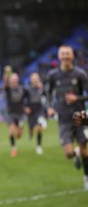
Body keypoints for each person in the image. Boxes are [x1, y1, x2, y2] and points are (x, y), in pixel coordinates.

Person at [46, 44, 88, 190]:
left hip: (81, 117)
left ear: (73, 56)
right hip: (63, 118)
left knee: (85, 151)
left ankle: (86, 178)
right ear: (59, 56)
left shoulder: (80, 74)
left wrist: (77, 98)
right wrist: (50, 107)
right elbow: (48, 93)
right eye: (62, 54)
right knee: (69, 153)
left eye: (68, 54)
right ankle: (74, 153)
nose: (65, 56)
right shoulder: (53, 75)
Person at [3, 65, 28, 157]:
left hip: (20, 113)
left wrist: (27, 107)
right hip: (11, 113)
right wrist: (6, 73)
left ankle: (16, 138)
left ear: (17, 79)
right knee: (11, 131)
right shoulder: (8, 89)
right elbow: (5, 83)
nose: (13, 80)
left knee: (19, 134)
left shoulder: (22, 89)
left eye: (15, 79)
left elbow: (28, 98)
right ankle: (14, 148)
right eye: (12, 79)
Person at [24, 72, 46, 155]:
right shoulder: (27, 89)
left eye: (36, 78)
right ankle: (30, 134)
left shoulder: (41, 88)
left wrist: (41, 89)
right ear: (31, 80)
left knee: (39, 128)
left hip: (39, 110)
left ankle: (38, 146)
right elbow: (23, 99)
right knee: (31, 128)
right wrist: (25, 107)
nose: (35, 80)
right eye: (33, 79)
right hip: (31, 111)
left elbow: (46, 96)